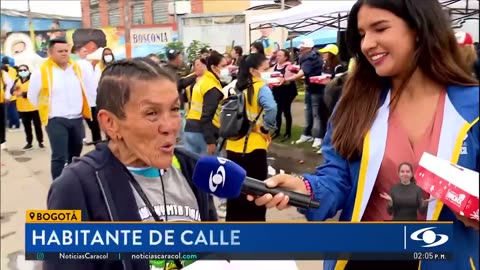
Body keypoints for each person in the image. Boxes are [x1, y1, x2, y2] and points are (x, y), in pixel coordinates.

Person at [248, 0, 479, 270]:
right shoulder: (355, 105)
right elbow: (337, 180)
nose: (368, 44)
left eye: (380, 29)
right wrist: (304, 188)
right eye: (361, 35)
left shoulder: (472, 108)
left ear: (419, 28)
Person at [44, 57, 217, 270]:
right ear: (110, 123)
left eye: (174, 109)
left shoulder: (194, 169)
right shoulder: (72, 187)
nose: (170, 126)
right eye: (151, 113)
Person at [28, 39, 92, 180]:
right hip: (56, 119)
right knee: (59, 155)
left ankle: (71, 181)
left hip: (76, 118)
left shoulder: (76, 68)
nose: (64, 54)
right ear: (50, 53)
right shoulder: (42, 72)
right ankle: (58, 186)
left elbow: (86, 89)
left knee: (75, 154)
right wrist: (48, 110)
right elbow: (32, 96)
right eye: (60, 51)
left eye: (66, 51)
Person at [225, 53, 277, 221]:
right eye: (266, 68)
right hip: (254, 148)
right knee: (256, 195)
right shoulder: (261, 87)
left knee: (234, 194)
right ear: (254, 71)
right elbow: (272, 108)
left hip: (233, 147)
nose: (269, 70)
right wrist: (266, 127)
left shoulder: (235, 86)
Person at [283, 38, 325, 151]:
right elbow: (304, 73)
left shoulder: (310, 57)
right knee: (309, 112)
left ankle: (318, 136)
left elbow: (303, 72)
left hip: (317, 89)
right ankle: (307, 134)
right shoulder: (308, 56)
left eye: (302, 48)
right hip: (310, 87)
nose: (300, 49)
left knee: (316, 114)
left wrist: (289, 79)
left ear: (307, 48)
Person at [183, 51, 228, 156]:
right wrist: (210, 141)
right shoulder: (212, 87)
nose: (226, 69)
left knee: (193, 168)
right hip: (203, 133)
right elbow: (206, 116)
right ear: (213, 67)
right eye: (223, 66)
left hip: (190, 129)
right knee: (211, 169)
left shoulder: (202, 82)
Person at [5, 64, 44, 150]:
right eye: (21, 70)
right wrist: (14, 90)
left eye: (24, 70)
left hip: (34, 107)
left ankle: (40, 141)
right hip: (22, 108)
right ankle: (29, 142)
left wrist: (22, 94)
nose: (23, 72)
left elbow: (36, 92)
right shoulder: (16, 80)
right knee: (27, 127)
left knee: (37, 125)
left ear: (28, 70)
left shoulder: (33, 80)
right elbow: (11, 91)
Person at [73, 44, 102, 145]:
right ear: (78, 53)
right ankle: (91, 139)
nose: (86, 53)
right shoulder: (78, 64)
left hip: (94, 98)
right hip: (84, 98)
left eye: (87, 51)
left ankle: (97, 140)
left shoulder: (94, 65)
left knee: (94, 122)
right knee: (89, 122)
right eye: (83, 51)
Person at [271, 49, 297, 142]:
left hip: (287, 91)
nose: (278, 57)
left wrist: (282, 80)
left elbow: (290, 80)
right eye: (277, 55)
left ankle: (288, 133)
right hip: (277, 91)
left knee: (286, 112)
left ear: (286, 57)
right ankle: (277, 131)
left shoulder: (289, 66)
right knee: (277, 112)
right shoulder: (275, 66)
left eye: (280, 55)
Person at [2, 57, 20, 131]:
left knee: (7, 110)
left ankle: (9, 124)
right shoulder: (13, 69)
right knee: (13, 109)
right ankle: (16, 123)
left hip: (6, 92)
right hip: (13, 91)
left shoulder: (3, 70)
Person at [0, 68, 14, 150]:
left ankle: (2, 141)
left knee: (1, 122)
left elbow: (10, 84)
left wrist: (7, 95)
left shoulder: (2, 73)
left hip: (0, 101)